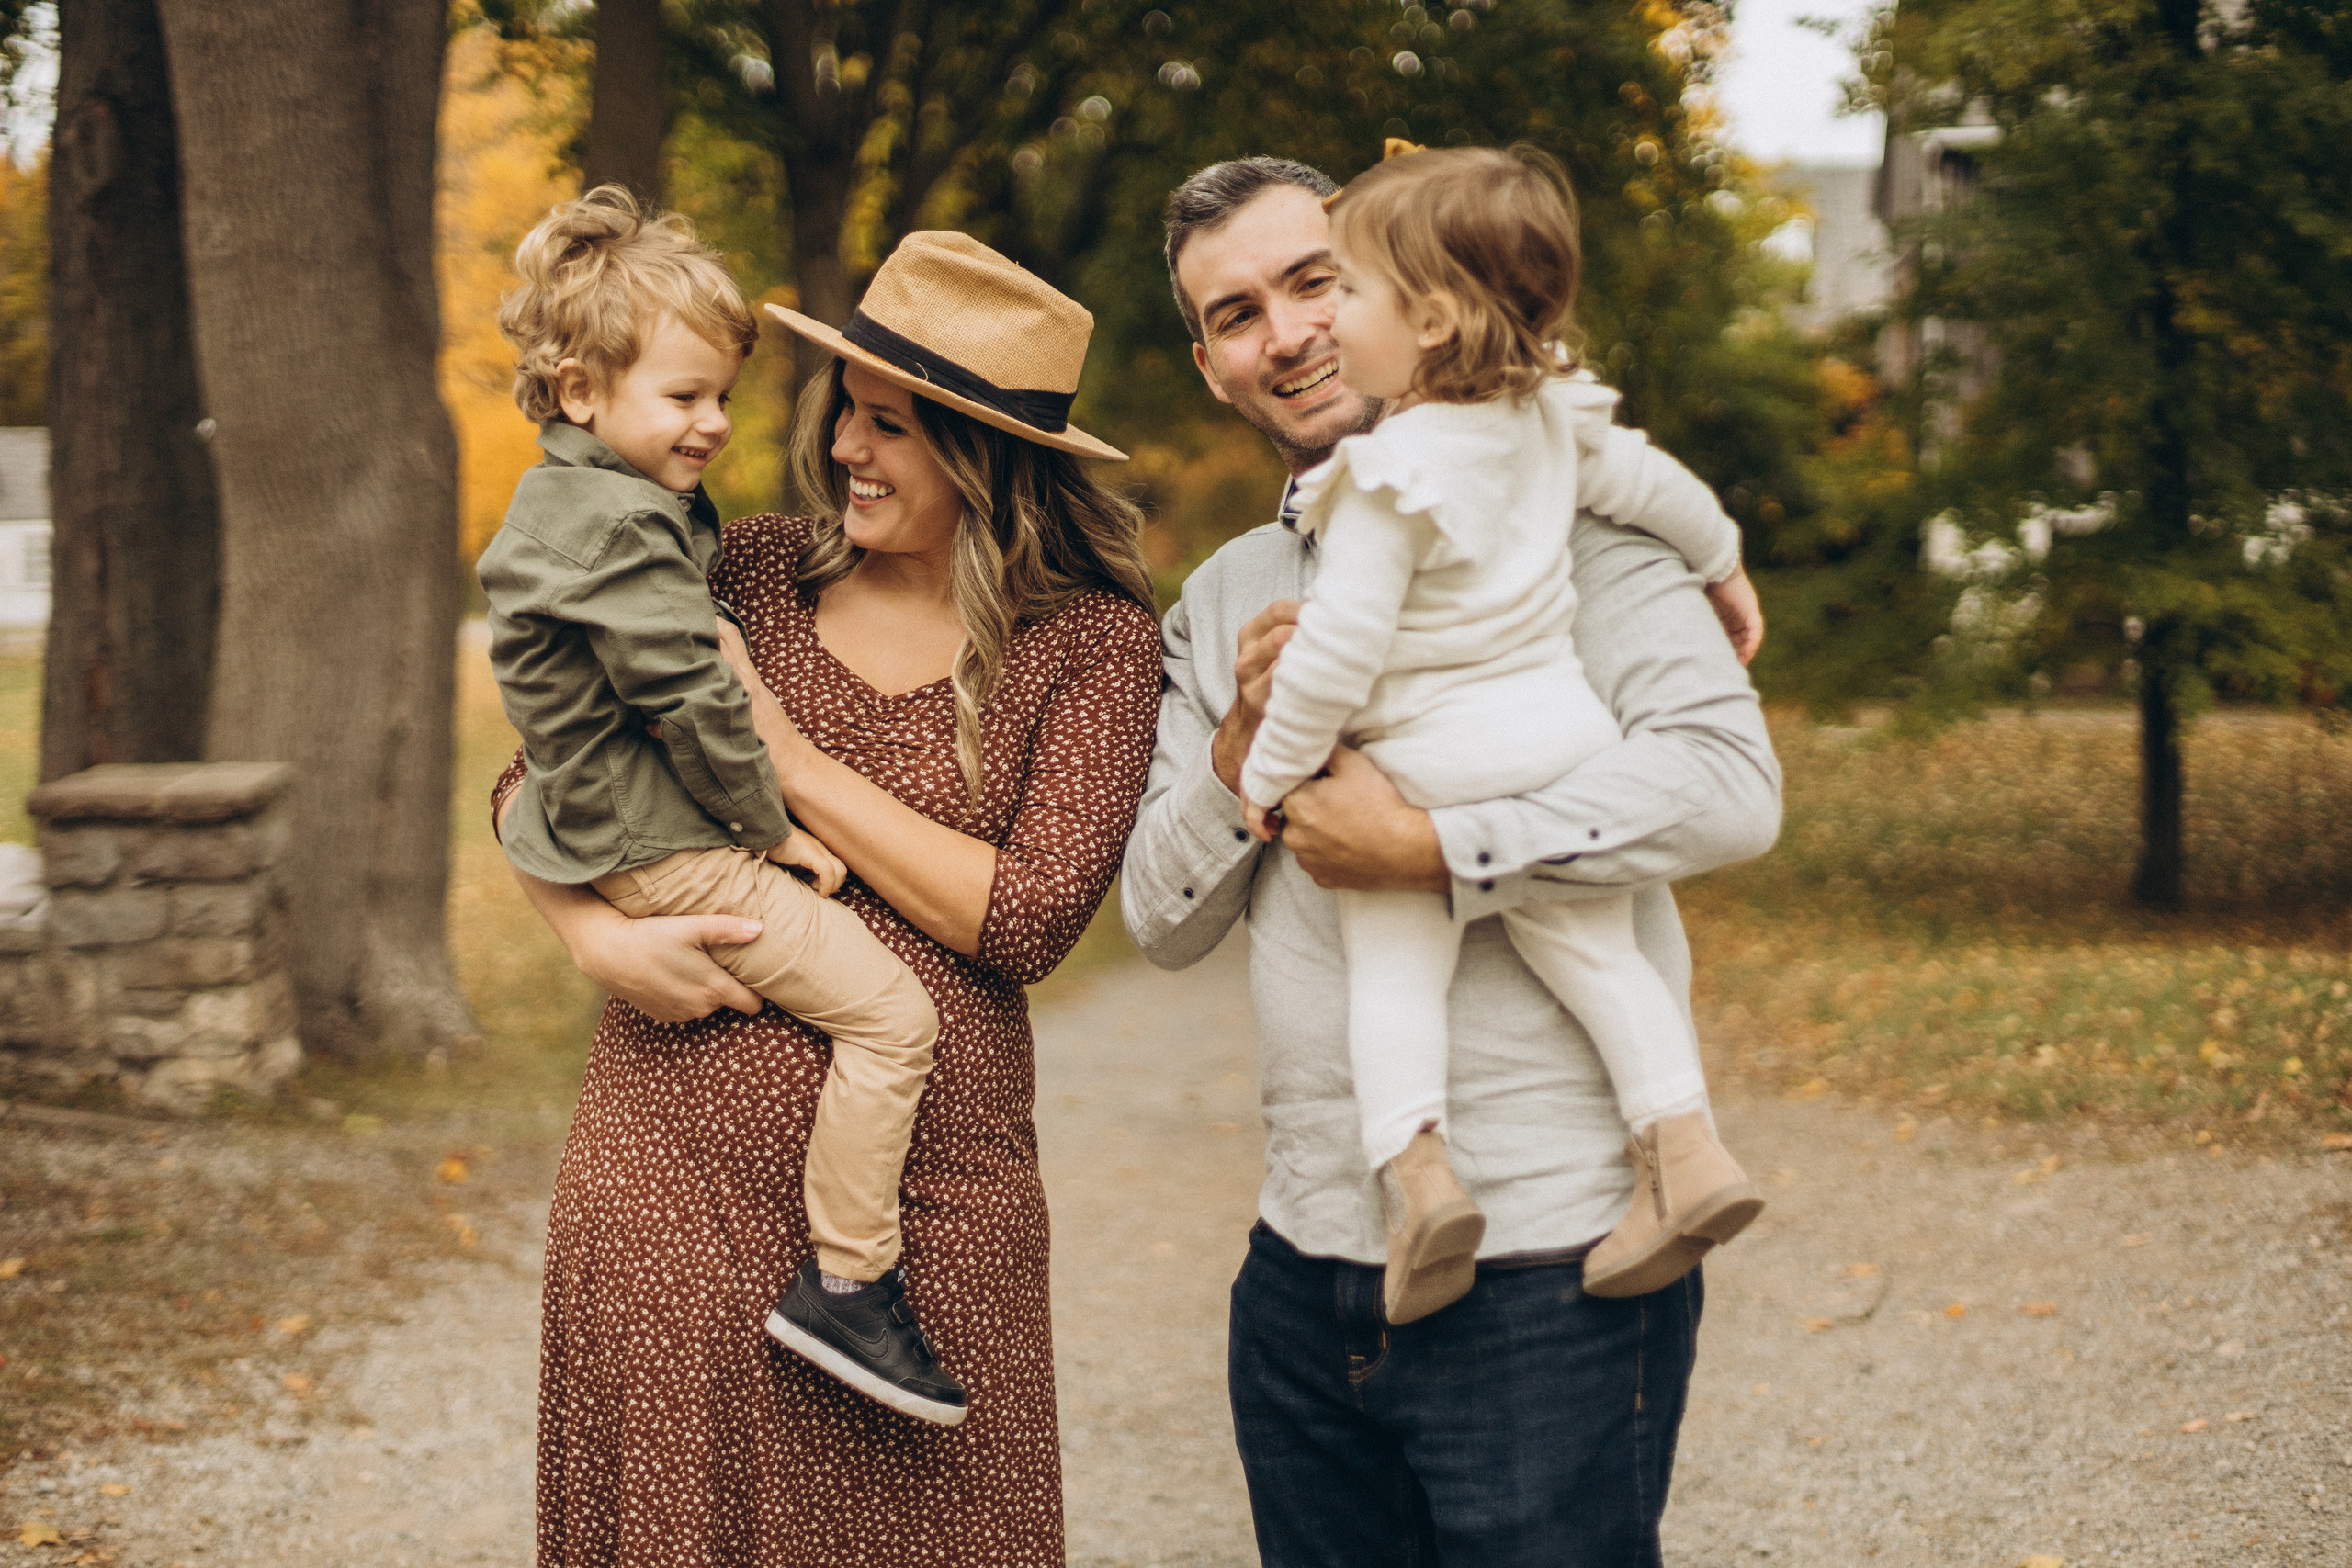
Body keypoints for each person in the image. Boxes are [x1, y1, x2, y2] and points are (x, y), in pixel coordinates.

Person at [1122, 155, 1781, 1565]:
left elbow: (1730, 789)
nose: (1289, 332)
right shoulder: (1223, 596)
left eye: (1314, 281)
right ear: (1210, 367)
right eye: (1237, 314)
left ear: (1408, 297)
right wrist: (1239, 750)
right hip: (1305, 1268)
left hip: (1552, 1269)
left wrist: (1435, 850)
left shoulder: (1575, 518)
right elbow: (1158, 920)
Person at [495, 228, 1162, 1564]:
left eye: (891, 427)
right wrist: (593, 937)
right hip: (670, 1190)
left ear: (988, 456)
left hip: (925, 1235)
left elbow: (1029, 916)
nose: (847, 448)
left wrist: (794, 766)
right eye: (847, 412)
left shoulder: (1093, 644)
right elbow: (538, 770)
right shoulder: (744, 568)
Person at [1232, 144, 1765, 1321]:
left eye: (1345, 289)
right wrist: (1724, 570)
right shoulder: (1547, 421)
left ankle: (1419, 1182)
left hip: (1428, 763)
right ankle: (1684, 1153)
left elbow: (1336, 657)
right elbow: (1660, 489)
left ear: (1426, 321)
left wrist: (1266, 774)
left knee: (1390, 967)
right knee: (1601, 958)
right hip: (1558, 741)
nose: (1328, 319)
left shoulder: (1385, 479)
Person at [479, 186, 961, 1424]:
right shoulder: (628, 532)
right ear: (580, 391)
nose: (713, 423)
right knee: (894, 1021)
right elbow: (697, 700)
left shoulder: (582, 503)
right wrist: (771, 825)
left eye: (722, 396)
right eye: (684, 396)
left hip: (620, 833)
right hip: (669, 847)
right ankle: (849, 1280)